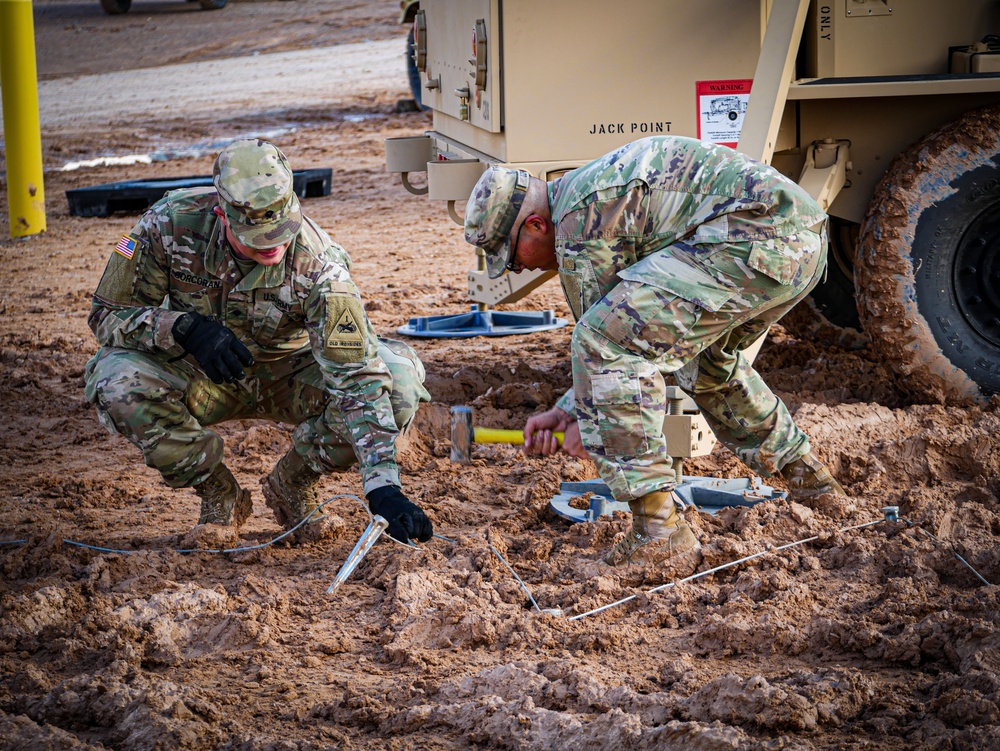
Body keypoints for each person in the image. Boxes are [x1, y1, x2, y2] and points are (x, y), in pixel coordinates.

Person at [464, 135, 847, 576]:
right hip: (797, 242)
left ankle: (659, 533)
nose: (518, 268)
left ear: (536, 225)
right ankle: (816, 486)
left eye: (511, 256)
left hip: (757, 239)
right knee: (703, 366)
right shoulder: (584, 198)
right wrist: (571, 410)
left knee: (603, 345)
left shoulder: (579, 223)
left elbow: (607, 348)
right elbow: (629, 338)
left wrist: (588, 424)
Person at [84, 138, 434, 547]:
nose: (273, 246)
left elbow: (358, 377)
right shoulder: (168, 225)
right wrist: (182, 328)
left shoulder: (321, 267)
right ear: (222, 213)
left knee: (399, 383)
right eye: (257, 236)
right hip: (201, 376)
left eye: (281, 231)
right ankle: (219, 494)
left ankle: (293, 482)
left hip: (294, 377)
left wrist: (382, 487)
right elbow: (106, 314)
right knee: (117, 380)